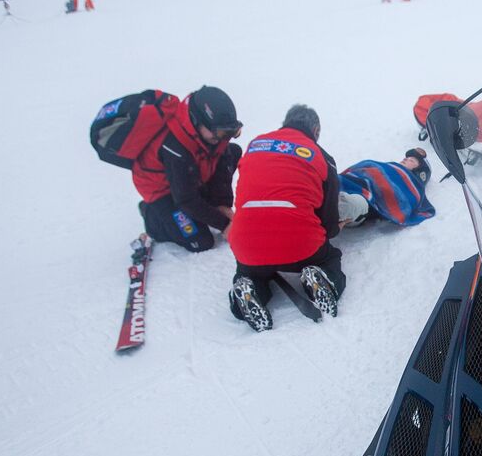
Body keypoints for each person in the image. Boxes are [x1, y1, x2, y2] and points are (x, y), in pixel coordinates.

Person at [227, 104, 343, 331]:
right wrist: (332, 231)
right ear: (316, 130)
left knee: (250, 270)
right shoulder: (321, 156)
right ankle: (322, 275)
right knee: (330, 257)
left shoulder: (255, 144)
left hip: (246, 243)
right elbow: (329, 219)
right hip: (299, 245)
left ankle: (249, 290)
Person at [135, 86, 243, 253]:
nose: (223, 138)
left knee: (232, 152)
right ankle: (152, 216)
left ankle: (207, 200)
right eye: (221, 132)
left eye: (231, 132)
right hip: (164, 192)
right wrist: (224, 224)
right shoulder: (175, 147)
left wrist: (222, 204)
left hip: (189, 175)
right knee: (201, 242)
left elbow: (222, 158)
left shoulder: (213, 133)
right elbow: (185, 198)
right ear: (196, 120)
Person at [338, 147, 434, 227]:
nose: (405, 159)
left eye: (411, 160)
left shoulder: (411, 186)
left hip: (363, 201)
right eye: (407, 158)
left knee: (346, 204)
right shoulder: (385, 166)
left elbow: (403, 201)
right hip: (346, 181)